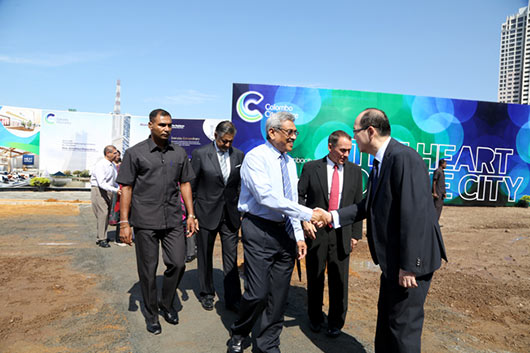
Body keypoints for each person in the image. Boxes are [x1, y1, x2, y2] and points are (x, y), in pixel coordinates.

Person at [314, 108, 447, 353]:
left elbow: (415, 214)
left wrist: (410, 265)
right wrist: (331, 216)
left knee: (402, 330)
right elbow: (369, 206)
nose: (353, 139)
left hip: (409, 264)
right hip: (393, 261)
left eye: (355, 132)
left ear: (370, 131)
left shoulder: (403, 158)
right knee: (387, 323)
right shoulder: (383, 161)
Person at [226, 112, 326, 353]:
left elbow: (289, 199)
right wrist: (308, 213)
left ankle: (268, 344)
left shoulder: (289, 162)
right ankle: (240, 331)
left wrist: (299, 236)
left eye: (295, 132)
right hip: (259, 229)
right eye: (289, 132)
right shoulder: (255, 158)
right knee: (258, 293)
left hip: (285, 233)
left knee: (278, 296)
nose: (294, 137)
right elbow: (267, 197)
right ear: (272, 132)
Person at [116, 109, 198, 335]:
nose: (167, 129)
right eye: (162, 125)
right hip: (145, 221)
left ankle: (166, 302)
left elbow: (185, 184)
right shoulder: (135, 153)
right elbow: (127, 188)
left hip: (173, 219)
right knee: (148, 270)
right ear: (150, 125)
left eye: (170, 125)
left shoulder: (179, 153)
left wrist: (190, 215)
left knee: (178, 263)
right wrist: (124, 223)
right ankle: (151, 314)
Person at [297, 130, 363, 338]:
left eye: (349, 151)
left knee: (339, 280)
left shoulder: (355, 171)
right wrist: (304, 219)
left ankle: (336, 321)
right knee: (315, 276)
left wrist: (355, 234)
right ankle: (315, 317)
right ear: (330, 147)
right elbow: (299, 196)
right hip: (316, 233)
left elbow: (358, 206)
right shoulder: (311, 168)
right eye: (342, 150)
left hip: (342, 233)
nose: (346, 154)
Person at [191, 121, 244, 312]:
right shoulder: (200, 154)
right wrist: (193, 214)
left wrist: (240, 210)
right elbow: (192, 186)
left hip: (230, 215)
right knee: (205, 255)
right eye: (224, 141)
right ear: (215, 135)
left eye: (230, 142)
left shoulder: (238, 155)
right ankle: (207, 293)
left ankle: (233, 298)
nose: (227, 145)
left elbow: (239, 185)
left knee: (231, 258)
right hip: (206, 213)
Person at [90, 145, 120, 248]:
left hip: (109, 190)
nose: (117, 155)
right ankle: (102, 239)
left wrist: (118, 188)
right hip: (99, 190)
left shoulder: (112, 166)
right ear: (108, 153)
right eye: (115, 153)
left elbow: (114, 181)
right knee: (103, 213)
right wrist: (116, 190)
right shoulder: (101, 165)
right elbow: (101, 183)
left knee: (106, 214)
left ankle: (101, 236)